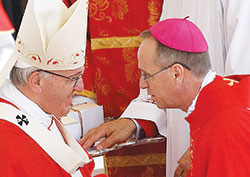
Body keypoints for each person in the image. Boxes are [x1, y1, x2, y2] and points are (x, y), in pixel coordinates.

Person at [82, 17, 250, 176]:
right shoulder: (216, 102)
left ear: (176, 74)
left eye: (146, 75)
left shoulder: (226, 127)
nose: (142, 85)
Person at [0, 0, 107, 176]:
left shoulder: (37, 110)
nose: (80, 87)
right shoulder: (8, 140)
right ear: (37, 82)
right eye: (73, 78)